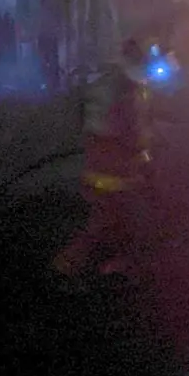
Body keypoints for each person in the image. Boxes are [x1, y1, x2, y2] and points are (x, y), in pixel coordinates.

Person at [53, 37, 154, 278]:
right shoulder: (127, 91)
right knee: (113, 221)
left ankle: (108, 266)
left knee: (109, 219)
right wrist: (145, 154)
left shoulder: (103, 82)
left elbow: (83, 120)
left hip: (96, 166)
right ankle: (69, 267)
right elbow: (134, 132)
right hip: (116, 171)